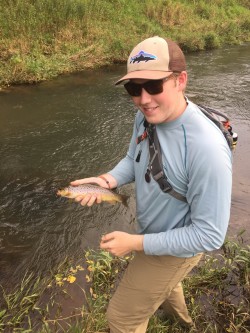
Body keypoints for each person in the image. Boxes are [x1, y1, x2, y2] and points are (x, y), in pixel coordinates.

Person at [71, 36, 232, 332]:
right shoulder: (145, 117)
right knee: (167, 287)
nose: (143, 99)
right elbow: (134, 157)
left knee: (120, 318)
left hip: (176, 247)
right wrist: (108, 180)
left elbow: (209, 236)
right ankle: (184, 324)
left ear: (180, 80)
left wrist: (135, 243)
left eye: (154, 86)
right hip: (152, 233)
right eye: (134, 88)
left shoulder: (206, 150)